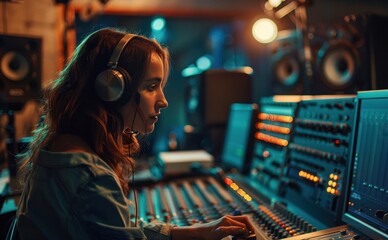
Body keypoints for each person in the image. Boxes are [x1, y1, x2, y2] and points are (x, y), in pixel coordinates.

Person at [15, 28, 255, 240]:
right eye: (151, 87)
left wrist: (195, 232)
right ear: (112, 89)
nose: (163, 101)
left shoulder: (61, 147)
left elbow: (119, 230)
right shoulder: (89, 175)